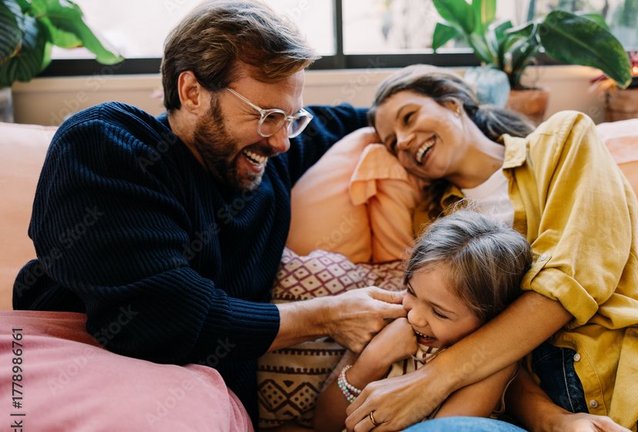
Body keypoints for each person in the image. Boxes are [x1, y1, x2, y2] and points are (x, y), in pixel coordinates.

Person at [12, 0, 405, 422]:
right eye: (267, 115)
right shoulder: (106, 144)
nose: (281, 142)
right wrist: (327, 315)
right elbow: (159, 317)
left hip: (200, 399)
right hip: (67, 360)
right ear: (192, 92)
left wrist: (452, 125)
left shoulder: (268, 159)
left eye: (292, 119)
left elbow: (379, 115)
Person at [342, 64, 638, 432]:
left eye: (409, 117)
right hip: (545, 413)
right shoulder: (436, 225)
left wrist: (432, 380)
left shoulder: (562, 141)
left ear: (452, 104)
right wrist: (553, 420)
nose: (404, 141)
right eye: (392, 142)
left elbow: (573, 279)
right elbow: (491, 354)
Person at [313, 209, 532, 431]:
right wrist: (371, 361)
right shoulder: (383, 325)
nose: (414, 317)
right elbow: (323, 424)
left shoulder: (489, 365)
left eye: (439, 313)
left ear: (491, 318)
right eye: (411, 291)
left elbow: (446, 429)